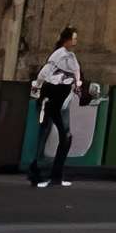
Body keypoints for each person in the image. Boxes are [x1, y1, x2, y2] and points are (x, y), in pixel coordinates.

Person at [28, 26, 82, 188]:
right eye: (74, 37)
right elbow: (45, 72)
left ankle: (49, 175)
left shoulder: (68, 56)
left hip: (60, 98)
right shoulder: (60, 55)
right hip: (54, 97)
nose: (75, 40)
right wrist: (38, 88)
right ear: (67, 39)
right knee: (59, 135)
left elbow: (73, 75)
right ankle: (43, 174)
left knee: (59, 135)